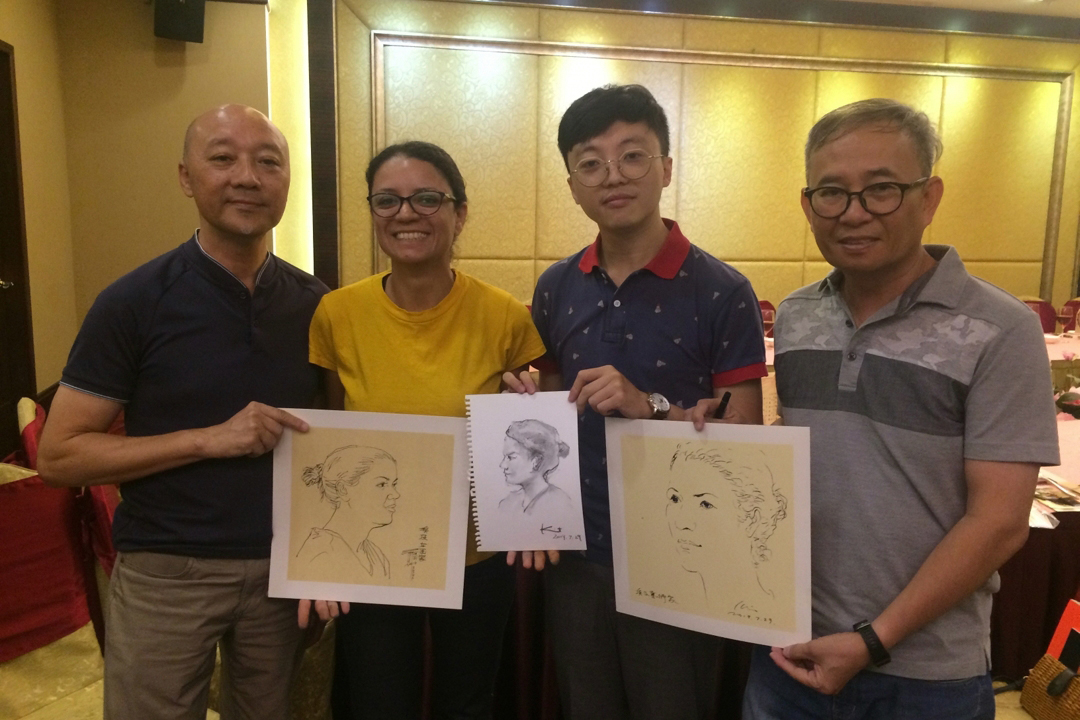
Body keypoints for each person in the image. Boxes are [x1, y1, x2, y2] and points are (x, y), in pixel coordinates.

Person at [699, 98, 1060, 719]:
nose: (854, 212)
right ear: (808, 204)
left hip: (925, 677)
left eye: (882, 189)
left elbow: (999, 521)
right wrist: (720, 436)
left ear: (929, 197)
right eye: (831, 193)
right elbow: (815, 449)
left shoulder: (1000, 329)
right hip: (789, 651)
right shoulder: (797, 316)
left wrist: (872, 640)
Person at [37, 105, 327, 720]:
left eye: (268, 161)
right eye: (222, 158)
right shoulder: (133, 302)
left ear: (286, 180)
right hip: (167, 572)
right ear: (186, 177)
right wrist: (207, 439)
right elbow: (59, 456)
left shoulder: (317, 305)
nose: (247, 176)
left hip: (283, 573)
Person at [505, 84, 768, 719]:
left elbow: (745, 439)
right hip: (578, 551)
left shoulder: (722, 290)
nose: (613, 176)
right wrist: (525, 400)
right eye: (590, 163)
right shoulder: (556, 285)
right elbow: (553, 406)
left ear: (666, 168)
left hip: (681, 551)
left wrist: (649, 404)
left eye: (632, 156)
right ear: (573, 185)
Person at [300, 140, 547, 719]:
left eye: (427, 199)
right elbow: (328, 436)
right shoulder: (337, 314)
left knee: (469, 704)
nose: (406, 213)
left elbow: (530, 429)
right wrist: (320, 560)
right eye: (387, 200)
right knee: (379, 704)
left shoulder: (504, 316)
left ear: (459, 213)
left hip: (477, 557)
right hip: (373, 553)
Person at [665, 442, 787, 613]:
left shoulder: (770, 614)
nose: (681, 522)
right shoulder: (688, 608)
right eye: (675, 499)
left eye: (705, 504)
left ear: (752, 520)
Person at [297, 445, 399, 580]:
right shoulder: (321, 552)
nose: (395, 494)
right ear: (343, 490)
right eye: (381, 485)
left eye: (394, 484)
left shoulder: (377, 557)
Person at [498, 419, 573, 516]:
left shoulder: (561, 504)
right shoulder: (507, 503)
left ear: (536, 462)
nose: (502, 465)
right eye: (505, 457)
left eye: (511, 457)